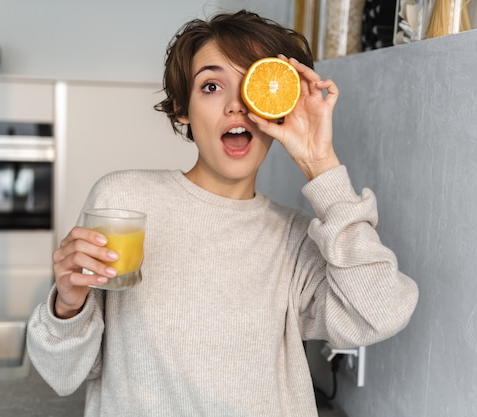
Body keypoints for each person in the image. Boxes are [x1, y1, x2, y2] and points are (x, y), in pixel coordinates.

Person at [27, 9, 418, 417]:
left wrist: (320, 163)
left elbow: (383, 312)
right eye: (211, 86)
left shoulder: (298, 239)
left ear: (275, 107)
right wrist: (68, 306)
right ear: (182, 108)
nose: (236, 106)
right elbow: (64, 374)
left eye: (253, 85)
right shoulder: (125, 199)